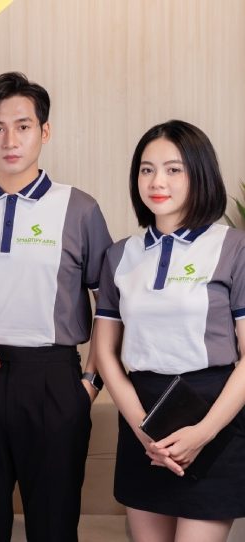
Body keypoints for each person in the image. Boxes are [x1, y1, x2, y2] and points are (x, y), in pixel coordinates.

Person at [0, 72, 112, 542]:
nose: (10, 140)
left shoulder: (79, 208)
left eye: (23, 126)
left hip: (54, 379)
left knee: (54, 526)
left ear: (45, 131)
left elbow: (110, 308)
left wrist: (90, 384)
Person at [94, 119, 245, 542]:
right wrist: (143, 430)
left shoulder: (234, 247)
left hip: (214, 415)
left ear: (199, 173)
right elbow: (105, 353)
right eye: (146, 169)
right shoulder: (120, 255)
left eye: (173, 169)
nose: (157, 181)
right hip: (143, 415)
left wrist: (203, 433)